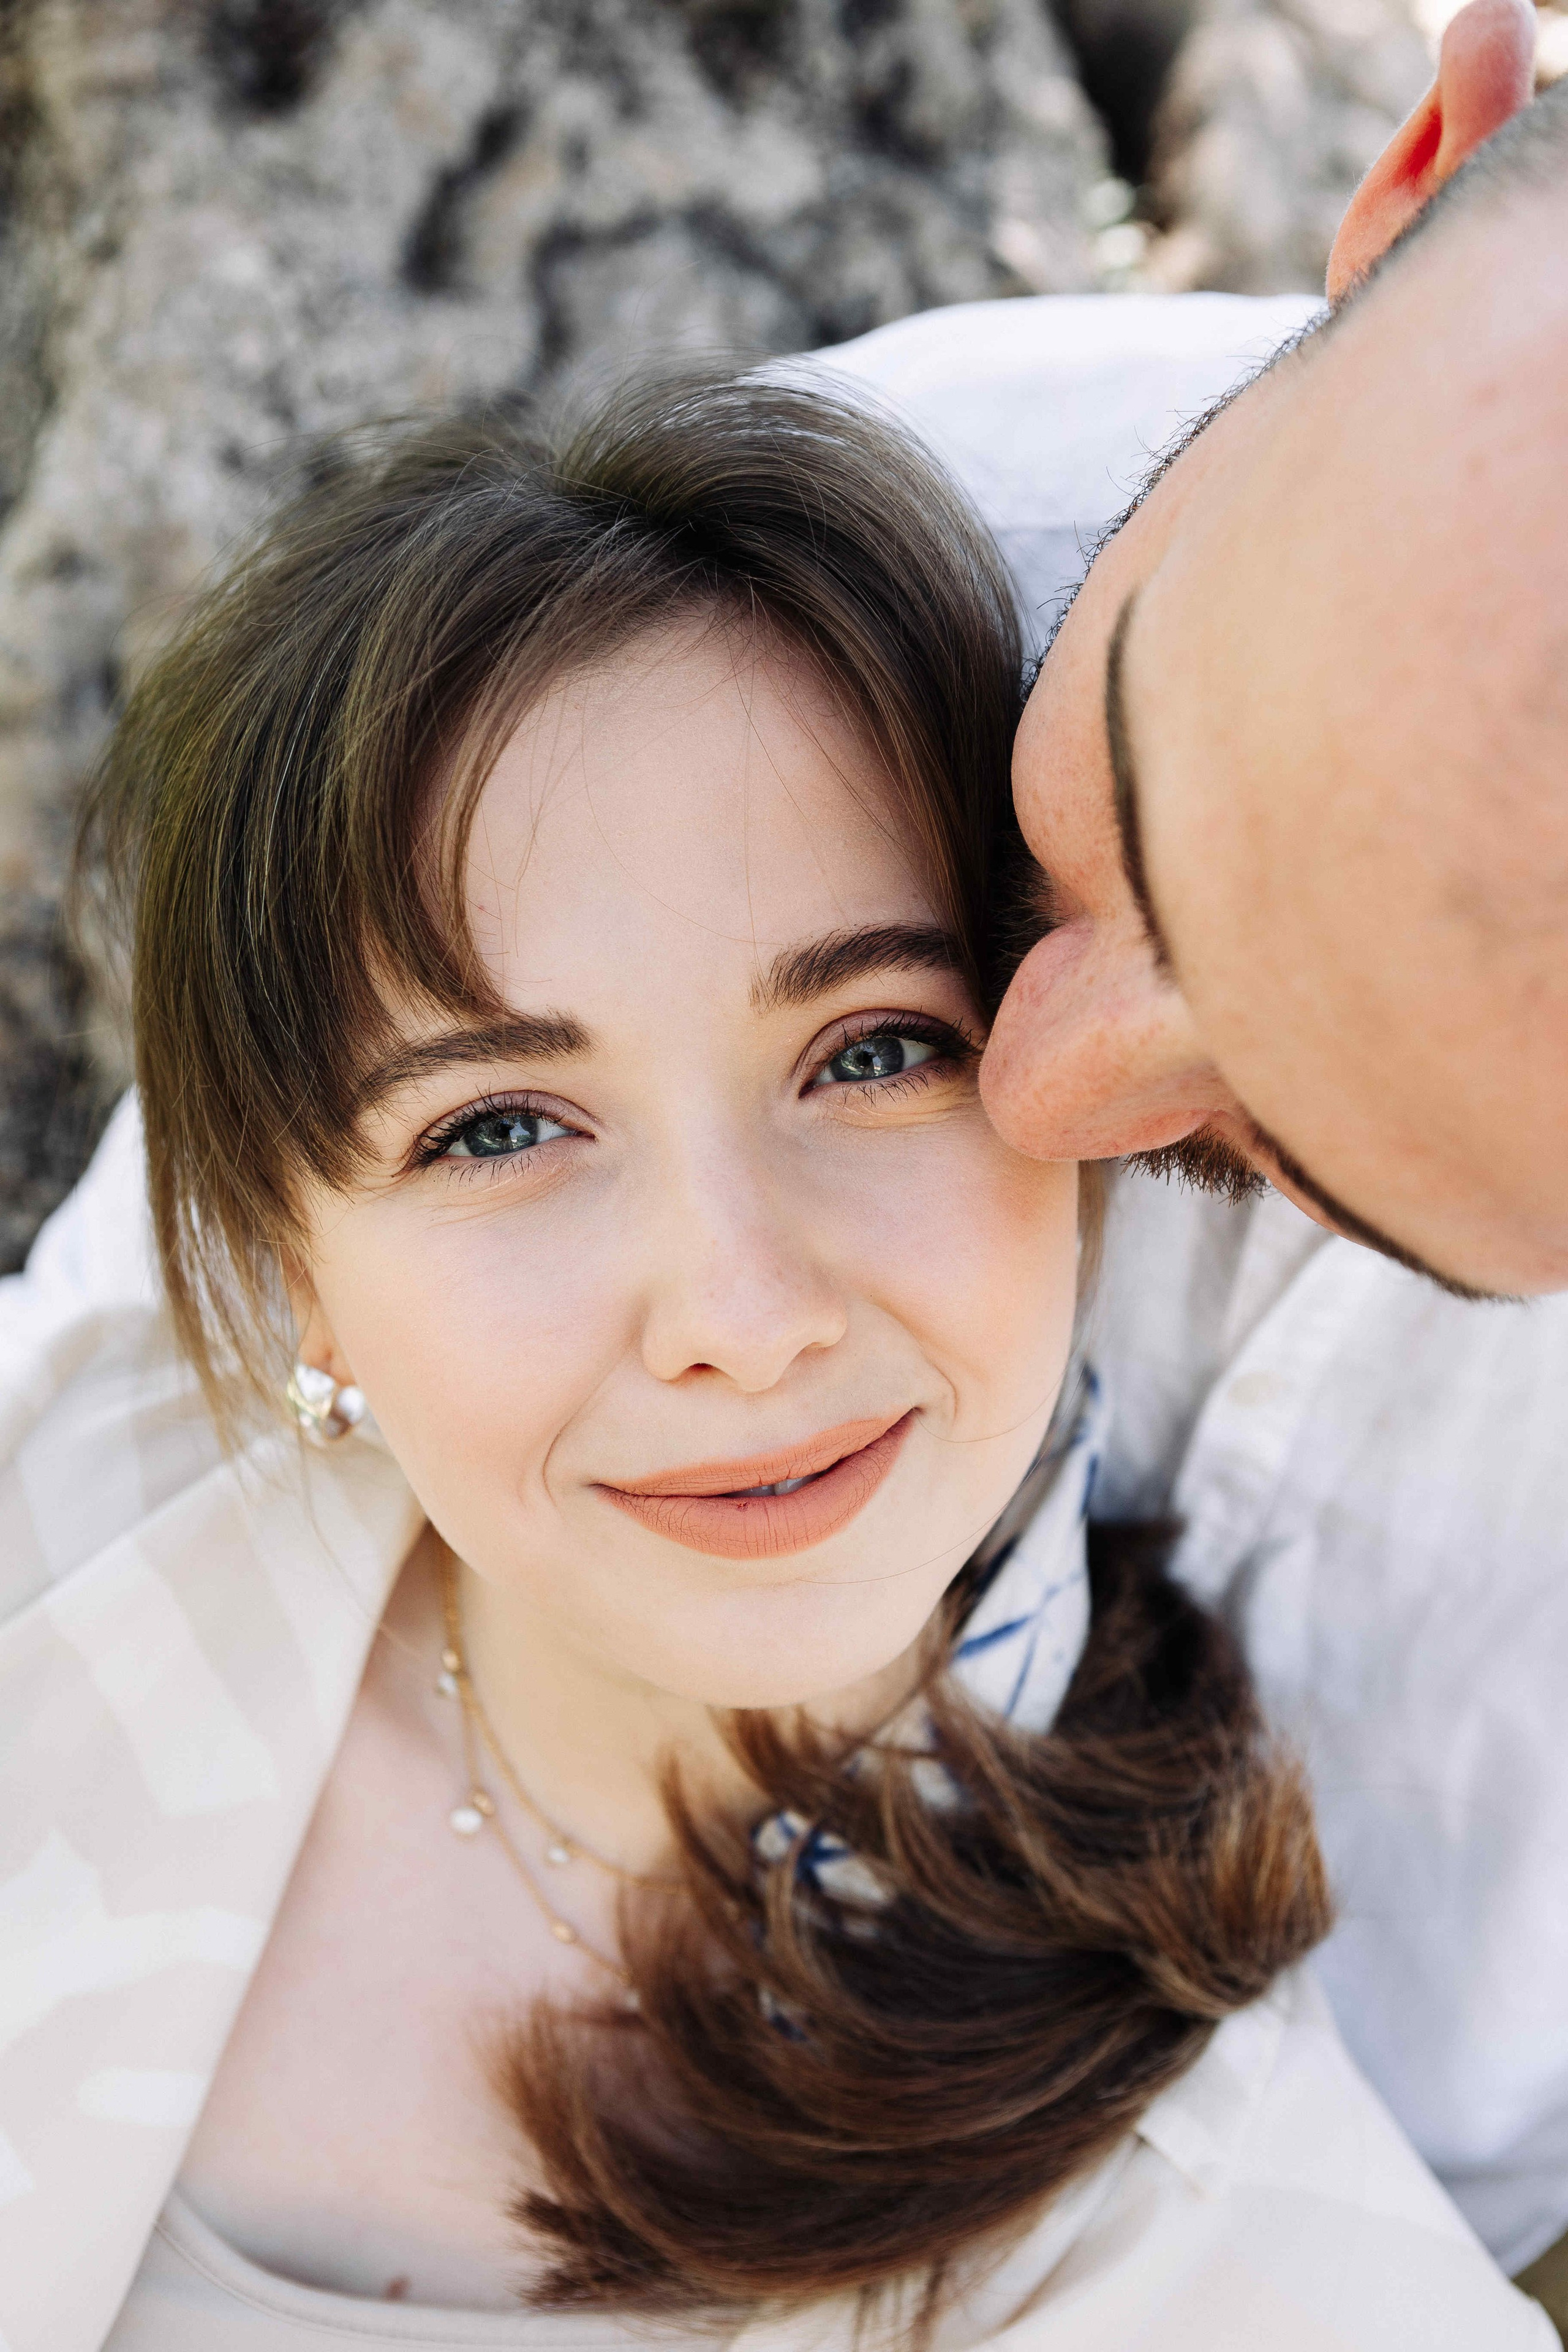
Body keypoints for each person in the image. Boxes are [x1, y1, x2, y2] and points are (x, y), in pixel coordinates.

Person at [1, 376, 1548, 2352]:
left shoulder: (1204, 2246)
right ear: (293, 1264)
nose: (740, 1312)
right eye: (497, 1127)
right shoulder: (76, 1520)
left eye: (875, 1049)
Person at [976, 0, 1567, 1306]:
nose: (1026, 1092)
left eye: (1308, 1158)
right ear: (1418, 193)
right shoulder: (740, 617)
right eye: (1135, 790)